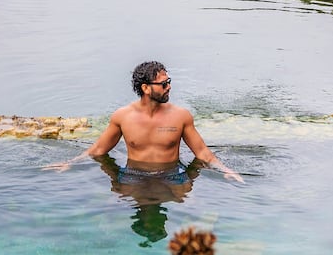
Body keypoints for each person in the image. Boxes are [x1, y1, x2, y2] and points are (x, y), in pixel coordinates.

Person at [46, 61, 244, 183]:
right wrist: (70, 163)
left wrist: (226, 170)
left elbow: (202, 152)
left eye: (169, 82)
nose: (169, 87)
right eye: (163, 84)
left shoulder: (181, 116)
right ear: (146, 88)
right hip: (133, 176)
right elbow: (98, 149)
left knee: (190, 207)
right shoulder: (122, 117)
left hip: (173, 177)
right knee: (117, 202)